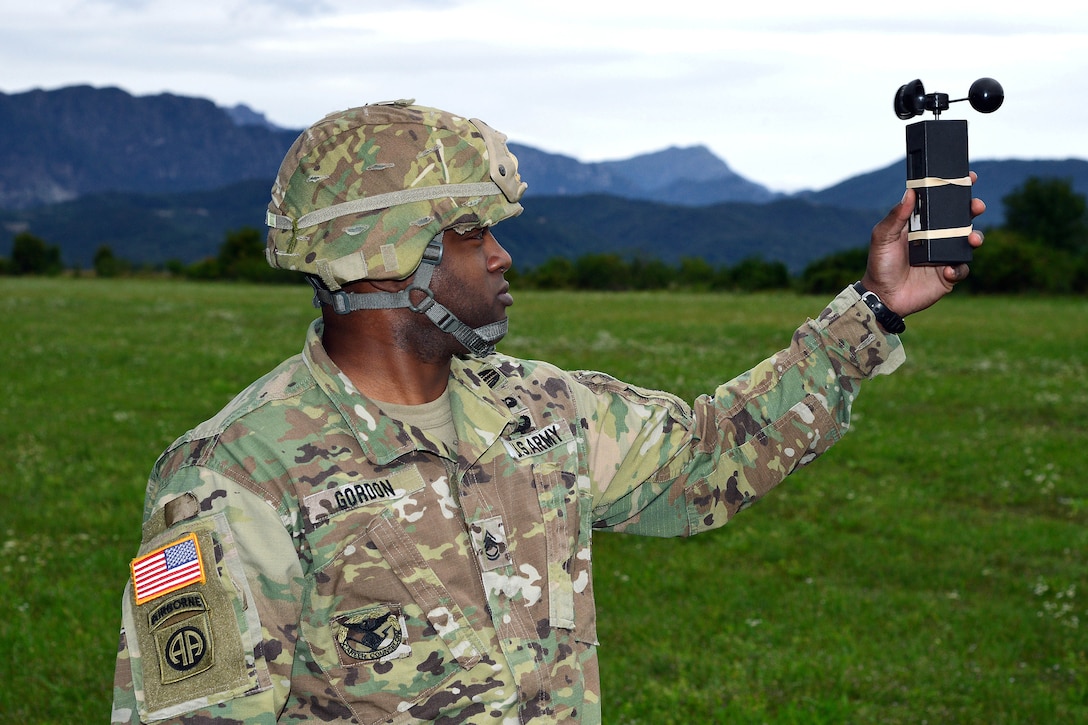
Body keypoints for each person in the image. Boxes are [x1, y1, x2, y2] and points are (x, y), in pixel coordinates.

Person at [111, 99, 984, 724]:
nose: (502, 254)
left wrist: (876, 309)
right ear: (388, 252)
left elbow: (706, 456)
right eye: (472, 233)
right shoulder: (229, 477)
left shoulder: (540, 409)